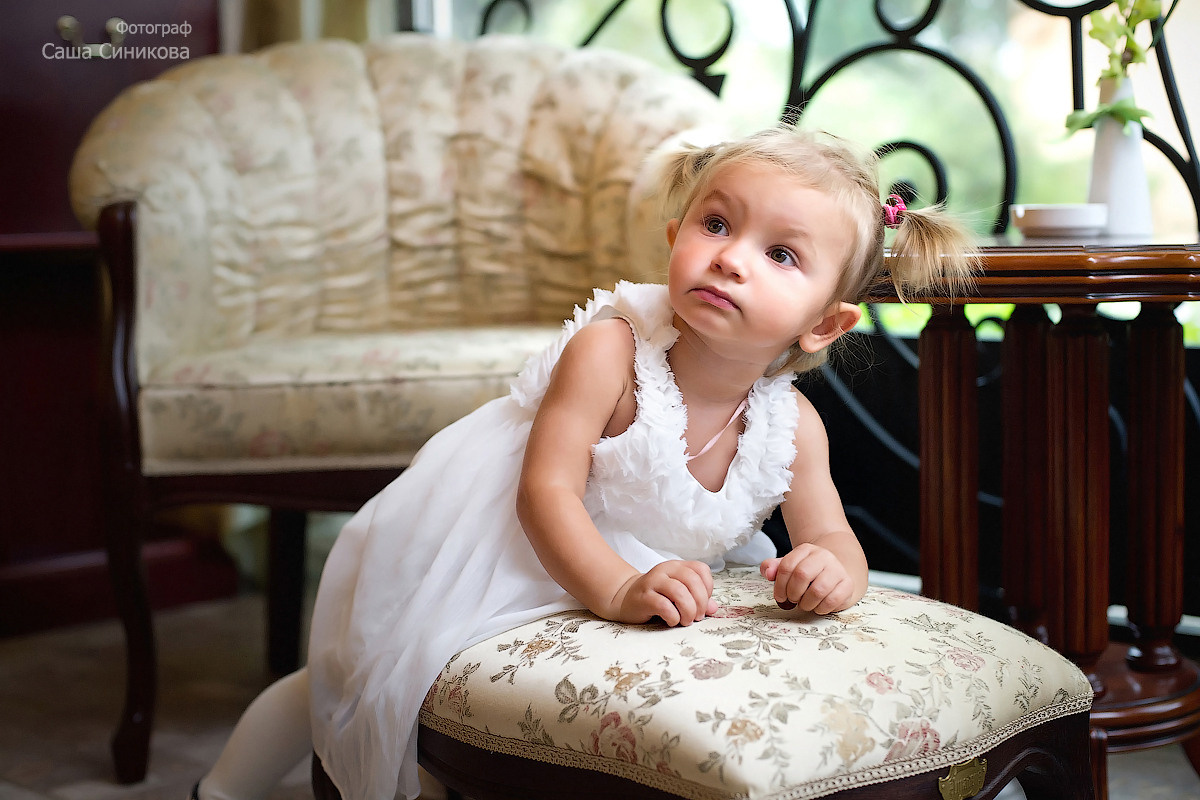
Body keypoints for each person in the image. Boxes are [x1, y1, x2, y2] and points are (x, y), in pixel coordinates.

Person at [192, 124, 978, 800]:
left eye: (779, 254)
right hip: (497, 536)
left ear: (824, 323)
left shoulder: (794, 425)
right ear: (674, 238)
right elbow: (545, 493)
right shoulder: (613, 350)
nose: (732, 258)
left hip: (641, 564)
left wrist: (832, 569)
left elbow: (833, 534)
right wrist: (615, 587)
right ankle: (220, 789)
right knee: (358, 673)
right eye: (715, 225)